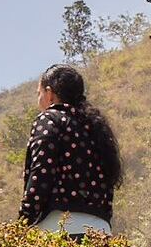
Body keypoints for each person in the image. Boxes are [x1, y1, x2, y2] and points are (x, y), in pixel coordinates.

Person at [19, 64, 122, 237]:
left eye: (39, 93)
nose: (39, 100)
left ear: (50, 94)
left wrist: (22, 225)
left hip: (60, 231)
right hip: (101, 231)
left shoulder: (49, 119)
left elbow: (41, 175)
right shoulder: (96, 126)